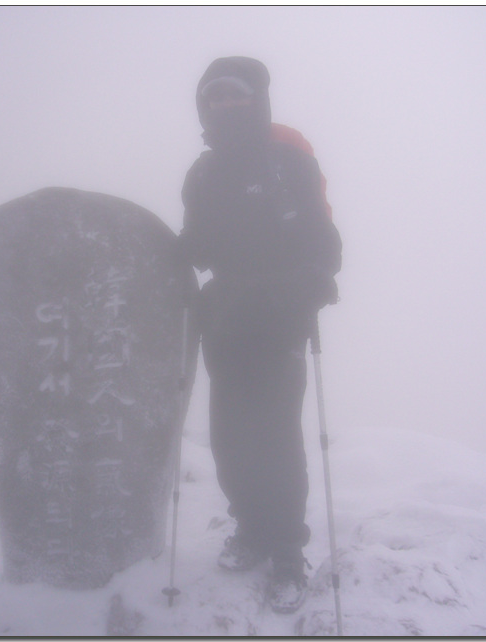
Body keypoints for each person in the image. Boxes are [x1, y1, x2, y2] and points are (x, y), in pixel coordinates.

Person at [178, 56, 342, 614]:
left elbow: (323, 240)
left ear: (256, 99)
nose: (224, 105)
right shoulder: (202, 174)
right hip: (224, 319)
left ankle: (287, 554)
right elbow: (195, 245)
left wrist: (314, 283)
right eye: (214, 97)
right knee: (229, 438)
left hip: (278, 318)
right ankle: (249, 529)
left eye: (234, 95)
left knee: (275, 440)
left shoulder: (287, 159)